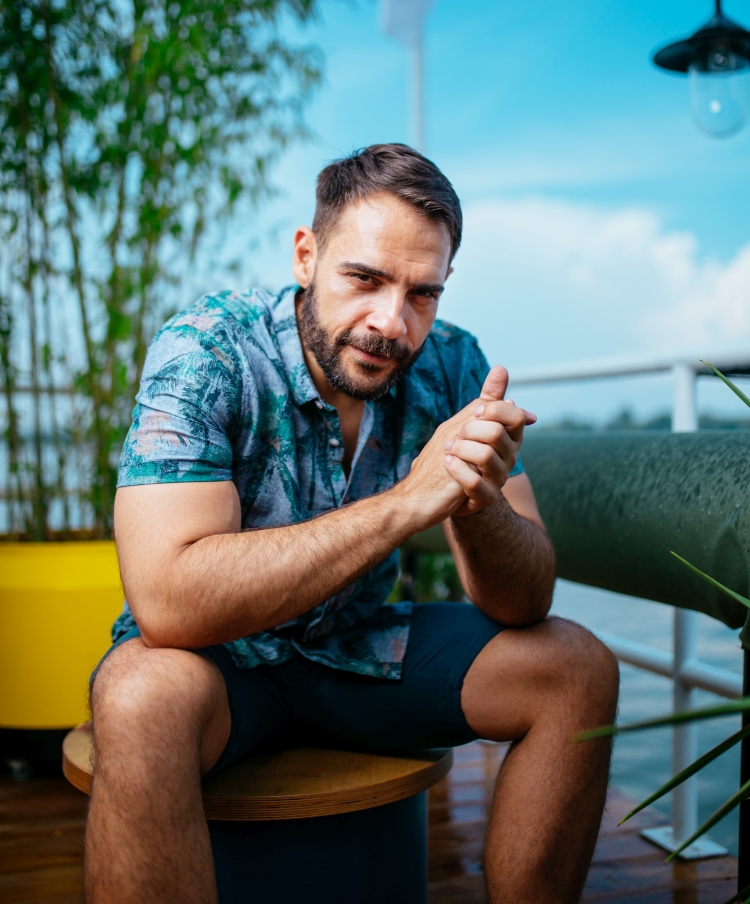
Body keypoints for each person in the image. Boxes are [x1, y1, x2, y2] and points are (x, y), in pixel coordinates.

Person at [85, 144, 619, 904]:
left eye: (422, 294)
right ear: (306, 255)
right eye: (365, 278)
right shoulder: (207, 350)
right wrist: (408, 502)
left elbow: (527, 599)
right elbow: (167, 602)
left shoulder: (453, 364)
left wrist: (477, 498)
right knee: (137, 693)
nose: (391, 323)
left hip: (357, 648)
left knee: (577, 667)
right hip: (217, 665)